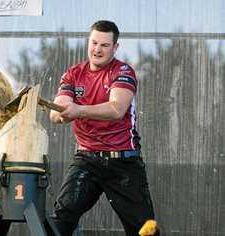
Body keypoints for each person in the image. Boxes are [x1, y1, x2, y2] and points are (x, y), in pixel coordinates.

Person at [49, 20, 159, 236]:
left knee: (144, 230)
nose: (97, 50)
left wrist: (78, 111)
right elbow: (57, 111)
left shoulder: (123, 71)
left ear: (115, 47)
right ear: (88, 42)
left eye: (104, 45)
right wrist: (61, 115)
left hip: (123, 162)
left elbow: (116, 109)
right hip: (87, 159)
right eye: (94, 43)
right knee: (62, 219)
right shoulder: (73, 74)